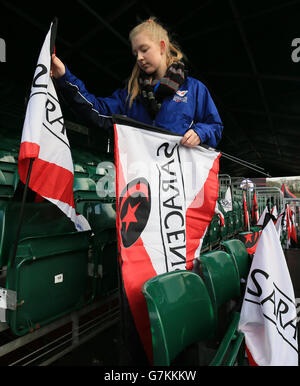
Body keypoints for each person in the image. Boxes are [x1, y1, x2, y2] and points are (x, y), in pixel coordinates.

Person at [51, 17, 223, 149]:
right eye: (136, 53)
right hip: (139, 184)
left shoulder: (194, 89)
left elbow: (215, 126)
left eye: (144, 49)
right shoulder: (130, 93)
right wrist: (64, 77)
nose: (139, 58)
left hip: (180, 187)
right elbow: (97, 112)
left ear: (162, 47)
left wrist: (200, 133)